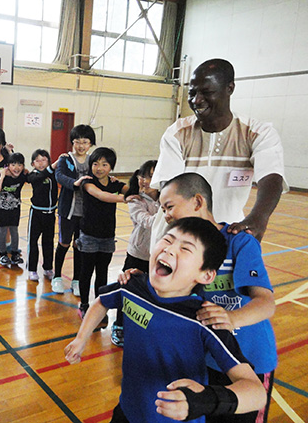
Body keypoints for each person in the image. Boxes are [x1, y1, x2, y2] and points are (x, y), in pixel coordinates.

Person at [65, 217, 267, 422]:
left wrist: (207, 400)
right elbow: (101, 301)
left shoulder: (203, 319)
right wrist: (81, 339)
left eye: (186, 249)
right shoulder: (132, 287)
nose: (169, 250)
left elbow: (257, 393)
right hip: (128, 411)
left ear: (206, 275)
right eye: (167, 240)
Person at [156, 172, 277, 422]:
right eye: (162, 209)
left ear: (198, 202)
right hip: (209, 359)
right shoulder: (182, 251)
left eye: (169, 207)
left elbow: (265, 303)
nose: (166, 216)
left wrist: (231, 319)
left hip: (250, 361)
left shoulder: (239, 243)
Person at [151, 58, 287, 245]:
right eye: (192, 93)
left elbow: (272, 177)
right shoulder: (177, 133)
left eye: (207, 92)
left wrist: (259, 218)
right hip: (177, 237)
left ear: (229, 89)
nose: (196, 100)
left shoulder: (257, 133)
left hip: (227, 236)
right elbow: (169, 186)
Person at [111, 159, 159, 347]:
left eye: (150, 176)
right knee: (128, 290)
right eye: (142, 176)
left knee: (153, 292)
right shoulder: (136, 199)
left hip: (158, 256)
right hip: (137, 254)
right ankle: (120, 325)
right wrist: (170, 209)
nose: (144, 180)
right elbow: (147, 221)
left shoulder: (166, 198)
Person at [77, 148, 127, 319]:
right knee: (86, 272)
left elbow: (131, 188)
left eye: (104, 164)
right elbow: (101, 195)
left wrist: (137, 187)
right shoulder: (87, 182)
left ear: (111, 167)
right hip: (89, 235)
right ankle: (84, 304)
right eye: (96, 164)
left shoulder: (115, 184)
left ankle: (99, 307)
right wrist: (124, 198)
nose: (99, 168)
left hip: (107, 237)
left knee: (102, 273)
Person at [52, 124, 95, 295]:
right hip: (67, 211)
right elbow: (59, 176)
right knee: (64, 243)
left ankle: (76, 280)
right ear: (72, 143)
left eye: (85, 142)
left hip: (85, 212)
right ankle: (57, 277)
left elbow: (100, 176)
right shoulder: (65, 159)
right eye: (77, 142)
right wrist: (74, 183)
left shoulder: (93, 160)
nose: (81, 146)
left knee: (80, 245)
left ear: (90, 144)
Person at [26, 149, 59, 281]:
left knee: (48, 242)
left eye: (44, 160)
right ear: (33, 164)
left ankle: (48, 268)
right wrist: (52, 167)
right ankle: (32, 269)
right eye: (37, 160)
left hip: (50, 214)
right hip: (37, 213)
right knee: (33, 242)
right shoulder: (33, 175)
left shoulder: (54, 173)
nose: (41, 163)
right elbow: (39, 177)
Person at [0, 152, 27, 268]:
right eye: (13, 165)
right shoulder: (4, 176)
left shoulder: (22, 176)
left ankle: (14, 253)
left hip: (15, 208)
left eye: (19, 165)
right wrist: (2, 176)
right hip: (1, 209)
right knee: (3, 231)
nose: (16, 168)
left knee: (14, 230)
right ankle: (2, 254)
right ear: (8, 166)